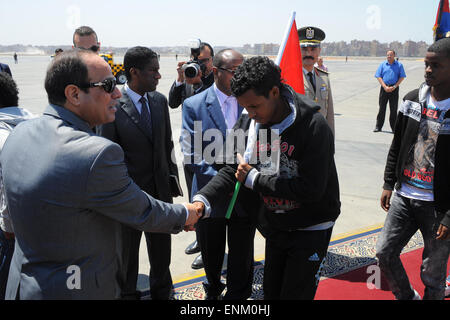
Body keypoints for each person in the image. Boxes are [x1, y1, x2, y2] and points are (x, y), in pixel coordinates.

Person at [0, 50, 201, 300]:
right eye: (107, 86)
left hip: (23, 287)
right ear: (74, 94)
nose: (117, 92)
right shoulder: (95, 153)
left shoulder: (17, 134)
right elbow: (141, 210)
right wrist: (186, 213)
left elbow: (8, 222)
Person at [194, 56, 341, 300]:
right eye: (245, 107)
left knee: (295, 294)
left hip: (310, 226)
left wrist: (255, 180)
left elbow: (311, 189)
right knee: (271, 293)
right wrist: (202, 199)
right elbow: (234, 169)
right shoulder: (255, 123)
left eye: (254, 107)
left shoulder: (313, 126)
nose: (250, 114)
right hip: (276, 226)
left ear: (274, 92)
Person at [98, 46, 182, 300]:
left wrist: (171, 183)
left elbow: (167, 144)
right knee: (127, 262)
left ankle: (161, 294)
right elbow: (107, 157)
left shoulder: (159, 101)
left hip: (159, 197)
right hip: (127, 200)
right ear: (134, 72)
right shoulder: (112, 105)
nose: (158, 76)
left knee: (161, 258)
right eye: (153, 71)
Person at [376, 38, 450, 300]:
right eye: (426, 65)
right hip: (404, 196)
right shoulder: (410, 100)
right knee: (384, 253)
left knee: (433, 274)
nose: (428, 70)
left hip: (437, 207)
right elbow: (397, 144)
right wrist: (388, 183)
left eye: (436, 66)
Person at [180, 49, 254, 300]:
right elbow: (191, 153)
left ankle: (238, 295)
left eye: (242, 71)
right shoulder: (194, 105)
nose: (239, 77)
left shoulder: (251, 102)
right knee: (211, 252)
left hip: (245, 193)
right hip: (210, 195)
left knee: (242, 252)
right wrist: (220, 184)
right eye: (234, 72)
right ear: (216, 72)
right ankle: (213, 289)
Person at [170, 42, 215, 269]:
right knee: (195, 197)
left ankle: (210, 250)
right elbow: (172, 101)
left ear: (213, 62)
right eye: (195, 60)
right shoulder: (188, 75)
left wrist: (198, 83)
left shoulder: (216, 83)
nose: (199, 65)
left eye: (204, 61)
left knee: (210, 202)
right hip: (189, 151)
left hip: (210, 153)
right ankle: (200, 239)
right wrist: (180, 78)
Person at [0, 73, 35, 299]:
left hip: (12, 234)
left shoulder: (3, 134)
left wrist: (8, 227)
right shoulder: (39, 123)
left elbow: (7, 188)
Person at [298, 26, 335, 136]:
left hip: (320, 139)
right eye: (304, 49)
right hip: (299, 142)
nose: (309, 54)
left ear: (319, 51)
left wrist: (330, 145)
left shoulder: (324, 77)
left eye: (313, 49)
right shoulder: (290, 77)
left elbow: (330, 115)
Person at [374, 50, 406, 132]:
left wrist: (395, 86)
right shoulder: (383, 64)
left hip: (394, 89)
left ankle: (394, 128)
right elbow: (378, 76)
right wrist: (384, 86)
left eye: (390, 55)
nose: (389, 56)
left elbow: (402, 77)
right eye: (387, 55)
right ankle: (378, 126)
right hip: (384, 89)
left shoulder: (399, 65)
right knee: (382, 108)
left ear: (394, 55)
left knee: (393, 109)